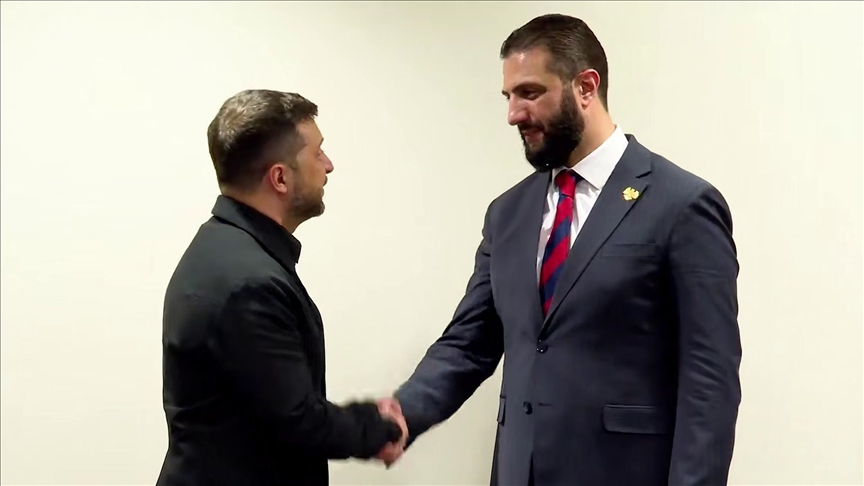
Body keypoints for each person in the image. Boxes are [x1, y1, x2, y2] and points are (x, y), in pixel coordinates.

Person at [384, 14, 742, 486]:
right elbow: (469, 343)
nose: (513, 114)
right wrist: (402, 413)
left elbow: (710, 381)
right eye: (509, 97)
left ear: (586, 87)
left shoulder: (682, 205)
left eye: (530, 93)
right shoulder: (507, 214)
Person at [157, 89, 407, 486]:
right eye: (317, 153)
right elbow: (298, 418)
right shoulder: (249, 284)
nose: (329, 165)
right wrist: (378, 428)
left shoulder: (222, 249)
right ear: (280, 178)